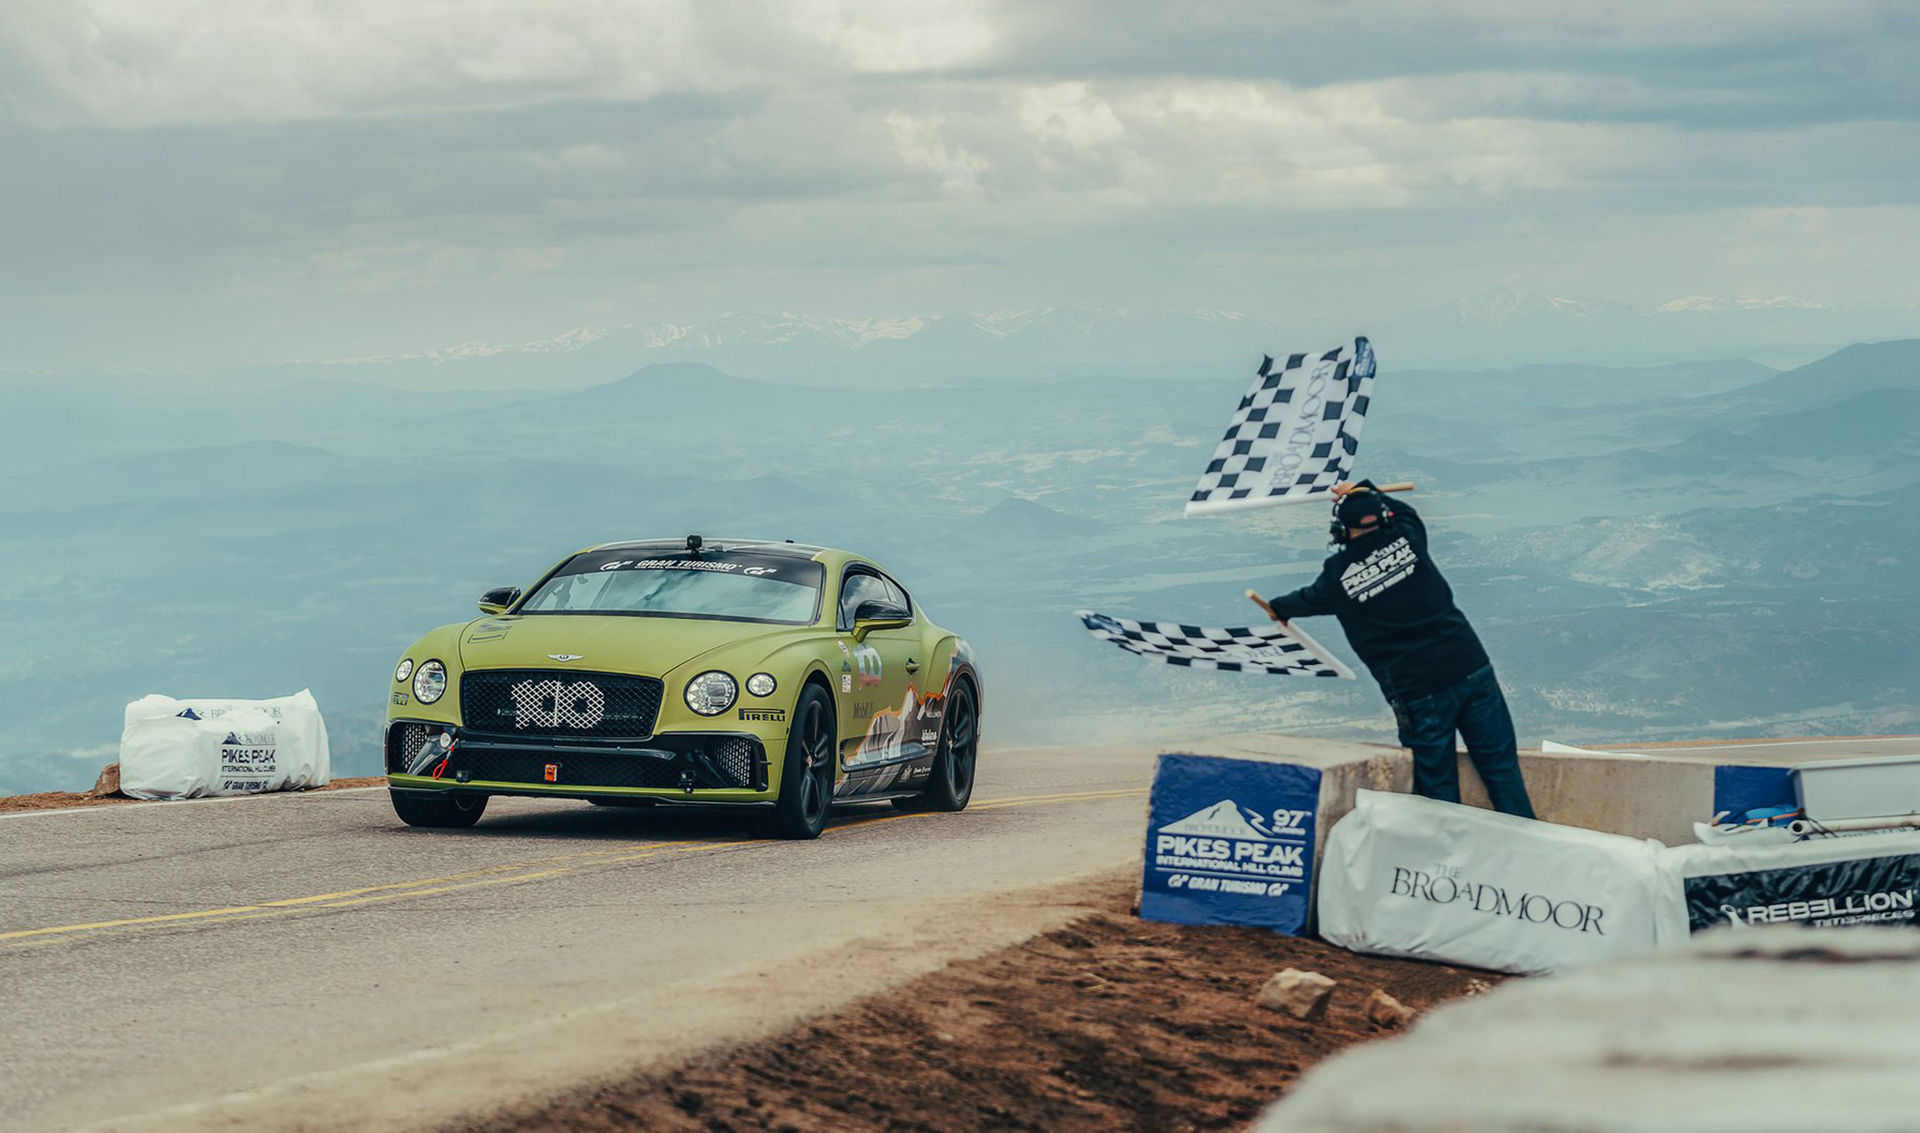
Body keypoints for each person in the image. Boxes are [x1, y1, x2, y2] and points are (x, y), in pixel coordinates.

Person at [1263, 480, 1535, 817]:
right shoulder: (1408, 536)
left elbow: (1305, 600)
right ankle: (1528, 844)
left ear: (1340, 530)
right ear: (1385, 516)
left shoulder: (1337, 576)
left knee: (1438, 789)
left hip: (1419, 690)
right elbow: (1406, 511)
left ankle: (1449, 859)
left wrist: (1277, 606)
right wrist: (1364, 487)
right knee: (1501, 770)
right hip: (1470, 666)